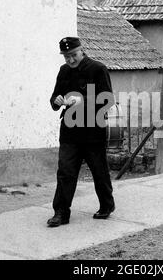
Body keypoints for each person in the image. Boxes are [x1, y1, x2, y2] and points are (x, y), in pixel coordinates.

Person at [47, 37, 116, 227]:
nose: (70, 60)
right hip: (70, 131)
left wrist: (82, 100)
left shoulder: (97, 69)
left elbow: (108, 99)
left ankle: (106, 205)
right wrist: (57, 101)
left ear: (81, 50)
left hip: (93, 129)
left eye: (73, 55)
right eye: (66, 57)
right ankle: (61, 213)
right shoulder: (64, 71)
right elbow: (53, 99)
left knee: (98, 170)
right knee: (65, 172)